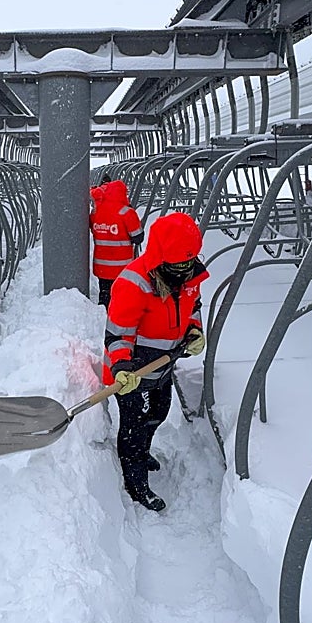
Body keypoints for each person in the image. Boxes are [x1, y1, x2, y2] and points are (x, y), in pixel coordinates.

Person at [101, 211, 208, 511]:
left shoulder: (188, 275)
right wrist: (122, 367)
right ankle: (135, 482)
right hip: (133, 370)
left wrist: (194, 329)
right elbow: (118, 333)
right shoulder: (133, 283)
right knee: (133, 425)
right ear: (161, 258)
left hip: (163, 365)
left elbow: (193, 304)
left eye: (189, 262)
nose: (186, 270)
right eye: (178, 264)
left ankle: (141, 449)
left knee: (159, 412)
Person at [89, 176, 144, 307]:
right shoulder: (126, 212)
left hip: (101, 266)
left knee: (105, 295)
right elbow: (138, 237)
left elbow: (93, 228)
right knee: (121, 299)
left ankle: (104, 316)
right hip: (122, 267)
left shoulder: (96, 211)